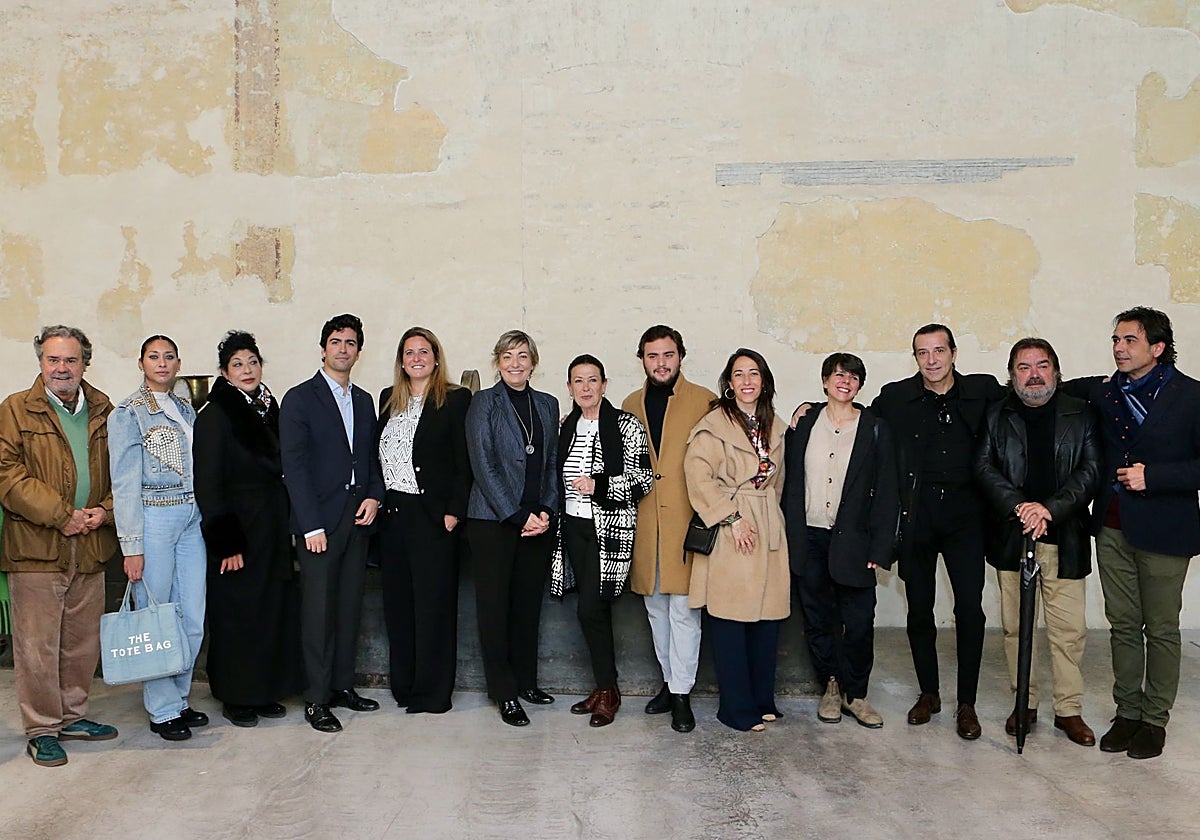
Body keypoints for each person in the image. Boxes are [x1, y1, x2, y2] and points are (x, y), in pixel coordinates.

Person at [1061, 307, 1200, 759]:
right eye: (1116, 339)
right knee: (1123, 625)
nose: (1119, 348)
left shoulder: (1190, 397)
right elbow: (1044, 390)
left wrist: (1154, 476)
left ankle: (1155, 720)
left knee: (1160, 628)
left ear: (1157, 348)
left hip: (1166, 527)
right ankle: (1128, 712)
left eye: (1129, 341)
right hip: (1112, 525)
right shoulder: (1103, 393)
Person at [871, 323, 1003, 739]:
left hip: (967, 518)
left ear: (953, 353)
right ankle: (929, 693)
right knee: (920, 608)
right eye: (922, 353)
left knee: (969, 609)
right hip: (918, 517)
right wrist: (810, 409)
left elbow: (1032, 392)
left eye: (938, 351)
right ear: (915, 358)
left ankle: (968, 703)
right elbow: (855, 418)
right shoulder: (896, 398)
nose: (931, 360)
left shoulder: (983, 391)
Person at [0, 326, 120, 767]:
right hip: (36, 546)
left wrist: (103, 512)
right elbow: (6, 475)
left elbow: (124, 471)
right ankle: (42, 728)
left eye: (71, 360)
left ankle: (72, 716)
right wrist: (61, 514)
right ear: (40, 363)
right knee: (37, 646)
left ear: (85, 363)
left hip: (90, 543)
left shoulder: (106, 409)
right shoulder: (14, 410)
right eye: (53, 360)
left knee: (81, 642)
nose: (62, 368)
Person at [975, 337, 1101, 747]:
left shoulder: (1080, 414)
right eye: (1024, 367)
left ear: (1056, 372)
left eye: (1042, 365)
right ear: (1012, 376)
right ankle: (1024, 703)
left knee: (1068, 630)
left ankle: (1068, 710)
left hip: (1065, 536)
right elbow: (983, 467)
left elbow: (1091, 470)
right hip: (1013, 536)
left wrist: (1049, 509)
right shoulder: (996, 415)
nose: (1034, 375)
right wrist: (1020, 506)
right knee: (1016, 628)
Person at [280, 314, 384, 733]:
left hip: (357, 518)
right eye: (336, 341)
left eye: (351, 343)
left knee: (348, 607)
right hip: (318, 524)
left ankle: (342, 685)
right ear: (323, 348)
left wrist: (375, 495)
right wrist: (310, 526)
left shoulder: (362, 400)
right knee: (318, 612)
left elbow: (371, 456)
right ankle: (316, 698)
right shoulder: (299, 398)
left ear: (359, 351)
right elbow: (295, 467)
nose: (343, 349)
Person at [783, 353, 898, 728]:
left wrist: (881, 548)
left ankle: (856, 694)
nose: (845, 382)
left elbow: (887, 493)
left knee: (860, 622)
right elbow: (788, 482)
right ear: (824, 381)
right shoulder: (803, 424)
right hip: (810, 538)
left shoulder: (875, 428)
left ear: (859, 385)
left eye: (853, 377)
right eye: (838, 375)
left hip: (855, 542)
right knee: (818, 619)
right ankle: (831, 686)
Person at [194, 331, 301, 728]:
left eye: (252, 362)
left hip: (271, 528)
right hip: (237, 531)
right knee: (237, 614)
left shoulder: (270, 409)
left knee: (269, 608)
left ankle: (264, 689)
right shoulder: (216, 416)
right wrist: (226, 543)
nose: (247, 370)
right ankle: (237, 694)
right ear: (224, 373)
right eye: (237, 364)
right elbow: (207, 483)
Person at [108, 335, 208, 741]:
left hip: (191, 516)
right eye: (154, 357)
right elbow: (125, 482)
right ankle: (162, 709)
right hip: (154, 517)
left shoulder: (185, 408)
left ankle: (180, 699)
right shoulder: (129, 413)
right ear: (141, 363)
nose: (162, 363)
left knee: (192, 614)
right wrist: (131, 546)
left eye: (169, 357)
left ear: (179, 363)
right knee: (157, 614)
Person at [685, 348, 789, 732]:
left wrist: (768, 518)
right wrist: (732, 516)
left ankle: (763, 699)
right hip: (732, 529)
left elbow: (778, 481)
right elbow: (698, 476)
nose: (747, 381)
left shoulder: (775, 425)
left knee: (766, 620)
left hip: (768, 524)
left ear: (764, 381)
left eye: (754, 373)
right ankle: (735, 707)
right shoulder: (713, 425)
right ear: (729, 384)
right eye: (739, 374)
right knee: (731, 619)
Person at [549, 355, 653, 727]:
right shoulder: (566, 427)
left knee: (591, 609)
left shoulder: (626, 426)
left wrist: (600, 485)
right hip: (572, 528)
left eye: (593, 380)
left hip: (607, 529)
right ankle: (603, 687)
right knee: (593, 610)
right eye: (578, 381)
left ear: (605, 385)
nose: (586, 388)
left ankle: (609, 691)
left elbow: (644, 480)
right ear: (570, 388)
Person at [621, 325, 715, 733]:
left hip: (685, 522)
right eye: (653, 355)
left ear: (681, 356)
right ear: (642, 358)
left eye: (668, 354)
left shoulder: (705, 401)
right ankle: (668, 682)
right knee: (655, 608)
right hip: (643, 523)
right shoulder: (629, 404)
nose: (661, 363)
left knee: (683, 612)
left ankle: (682, 694)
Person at [465, 330, 560, 727]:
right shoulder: (484, 403)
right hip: (493, 522)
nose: (515, 363)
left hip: (537, 522)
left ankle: (526, 681)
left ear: (533, 362)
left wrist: (547, 512)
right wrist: (516, 514)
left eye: (522, 355)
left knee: (527, 607)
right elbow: (482, 464)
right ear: (497, 363)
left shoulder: (548, 404)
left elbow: (553, 461)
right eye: (507, 356)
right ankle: (504, 693)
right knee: (495, 609)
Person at [376, 326, 471, 714]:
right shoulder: (388, 399)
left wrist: (454, 511)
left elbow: (464, 462)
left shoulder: (455, 399)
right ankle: (405, 686)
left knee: (434, 606)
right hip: (393, 516)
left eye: (424, 351)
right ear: (401, 360)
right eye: (409, 352)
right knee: (398, 605)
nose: (416, 358)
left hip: (433, 515)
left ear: (435, 357)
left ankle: (432, 694)